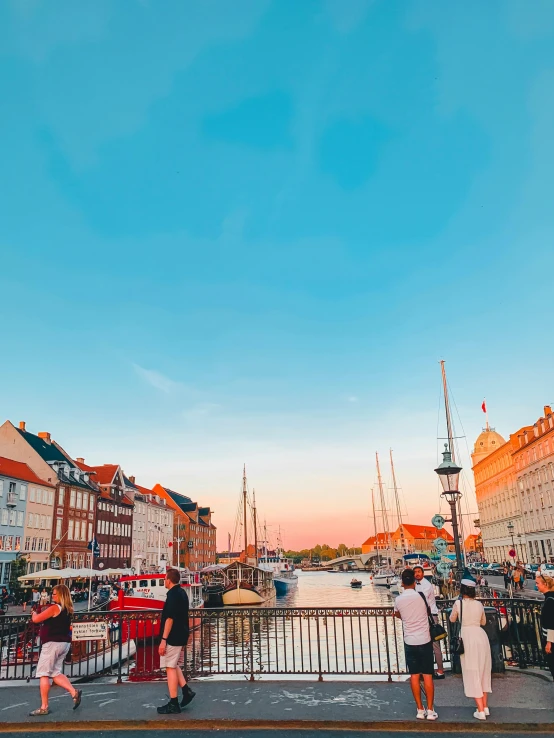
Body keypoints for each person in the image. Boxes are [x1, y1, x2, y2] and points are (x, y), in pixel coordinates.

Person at [28, 584, 82, 716]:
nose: (52, 596)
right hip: (64, 644)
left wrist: (34, 612)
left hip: (52, 644)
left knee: (43, 674)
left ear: (61, 595)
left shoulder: (54, 608)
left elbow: (36, 619)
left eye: (54, 593)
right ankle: (73, 692)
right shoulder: (68, 609)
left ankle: (44, 707)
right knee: (55, 673)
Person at [394, 568, 438, 721]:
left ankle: (419, 709)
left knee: (414, 675)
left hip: (409, 640)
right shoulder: (421, 596)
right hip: (424, 639)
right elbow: (428, 612)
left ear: (402, 582)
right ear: (414, 581)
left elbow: (398, 613)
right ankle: (431, 710)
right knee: (427, 676)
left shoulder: (398, 600)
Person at [449, 571, 491, 720]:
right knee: (484, 670)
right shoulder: (479, 604)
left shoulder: (458, 603)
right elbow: (484, 622)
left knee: (472, 671)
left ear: (462, 590)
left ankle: (480, 710)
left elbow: (452, 619)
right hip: (481, 636)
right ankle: (485, 707)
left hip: (467, 636)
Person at [157, 568, 196, 714]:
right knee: (173, 664)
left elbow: (170, 618)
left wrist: (163, 640)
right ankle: (186, 691)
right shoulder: (182, 593)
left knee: (170, 667)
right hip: (181, 633)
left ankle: (174, 703)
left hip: (173, 636)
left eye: (165, 578)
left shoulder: (173, 596)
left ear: (169, 580)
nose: (164, 581)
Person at [414, 565, 445, 679]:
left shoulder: (426, 585)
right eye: (415, 572)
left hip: (430, 616)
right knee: (425, 644)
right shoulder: (416, 585)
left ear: (422, 573)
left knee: (434, 644)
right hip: (424, 616)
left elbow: (422, 601)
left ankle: (440, 670)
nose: (417, 574)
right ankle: (428, 670)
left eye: (419, 572)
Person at [535, 573, 554, 680]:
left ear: (545, 584)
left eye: (538, 583)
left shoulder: (549, 601)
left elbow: (551, 623)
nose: (536, 585)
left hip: (551, 640)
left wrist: (549, 643)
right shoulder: (550, 598)